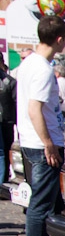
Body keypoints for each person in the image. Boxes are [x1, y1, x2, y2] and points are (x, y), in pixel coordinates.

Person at [18, 14, 65, 236]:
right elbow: (35, 108)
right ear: (60, 39)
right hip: (42, 143)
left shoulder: (29, 63)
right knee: (41, 202)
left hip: (32, 141)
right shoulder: (42, 68)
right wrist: (48, 142)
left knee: (53, 199)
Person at [0, 52, 15, 183]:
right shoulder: (8, 81)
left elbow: (15, 102)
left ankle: (3, 182)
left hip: (6, 121)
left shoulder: (9, 81)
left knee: (3, 153)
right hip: (6, 120)